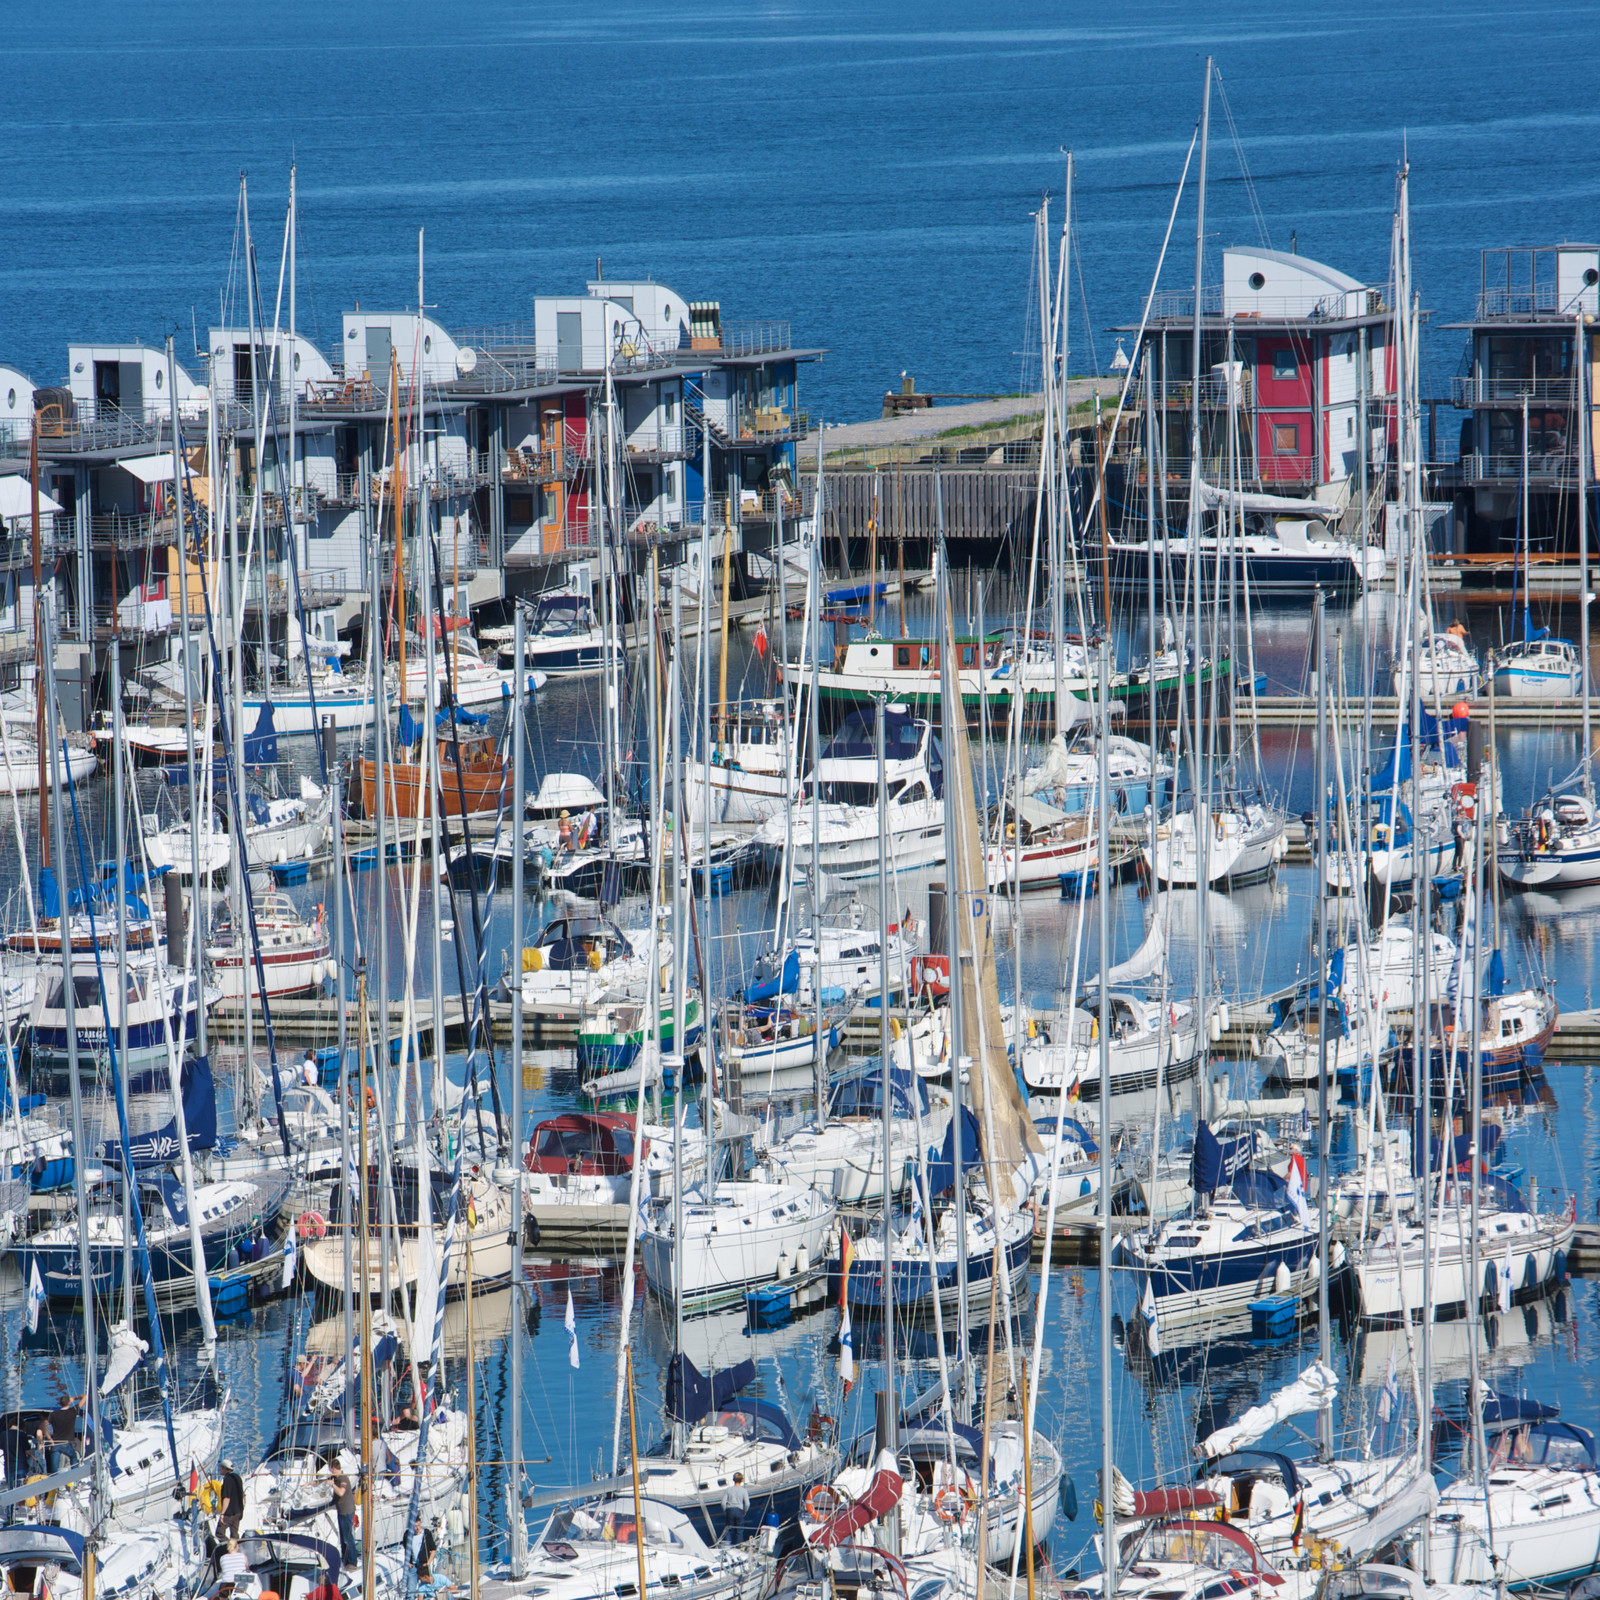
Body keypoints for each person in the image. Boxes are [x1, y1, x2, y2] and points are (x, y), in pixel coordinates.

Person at [329, 1469, 358, 1566]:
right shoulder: (336, 1479)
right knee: (343, 1538)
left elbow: (341, 1492)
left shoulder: (343, 1479)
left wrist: (332, 1485)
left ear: (333, 1469)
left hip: (346, 1512)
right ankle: (345, 1560)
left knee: (348, 1538)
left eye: (331, 1470)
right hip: (341, 1511)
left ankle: (352, 1561)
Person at [217, 1459, 246, 1542]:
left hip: (229, 1513)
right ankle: (236, 1551)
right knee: (234, 1535)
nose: (220, 1469)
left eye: (221, 1467)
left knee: (219, 1533)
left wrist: (222, 1514)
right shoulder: (238, 1477)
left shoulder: (227, 1480)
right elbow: (242, 1495)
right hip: (238, 1511)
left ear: (224, 1468)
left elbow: (227, 1498)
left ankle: (229, 1548)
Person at [408, 1517, 437, 1585]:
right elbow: (406, 1549)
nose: (417, 1528)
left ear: (420, 1523)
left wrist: (428, 1562)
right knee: (411, 1584)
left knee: (427, 1582)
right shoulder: (408, 1535)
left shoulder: (426, 1533)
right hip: (413, 1564)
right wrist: (408, 1562)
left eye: (418, 1525)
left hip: (424, 1564)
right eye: (415, 1526)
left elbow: (433, 1549)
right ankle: (411, 1595)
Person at [722, 1472, 750, 1540]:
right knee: (739, 1531)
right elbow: (747, 1504)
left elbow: (723, 1503)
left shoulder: (728, 1490)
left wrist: (725, 1511)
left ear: (733, 1480)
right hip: (739, 1510)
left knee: (728, 1530)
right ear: (741, 1480)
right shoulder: (744, 1490)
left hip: (730, 1510)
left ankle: (727, 1546)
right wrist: (744, 1512)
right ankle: (739, 1546)